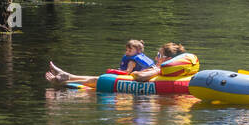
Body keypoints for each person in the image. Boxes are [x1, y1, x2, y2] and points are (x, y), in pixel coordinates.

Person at [47, 42, 188, 87]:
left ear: (167, 58)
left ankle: (64, 79)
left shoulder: (162, 69)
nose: (156, 57)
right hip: (132, 88)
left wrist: (155, 70)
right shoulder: (171, 69)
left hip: (133, 92)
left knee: (100, 79)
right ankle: (67, 76)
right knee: (99, 78)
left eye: (159, 55)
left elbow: (138, 76)